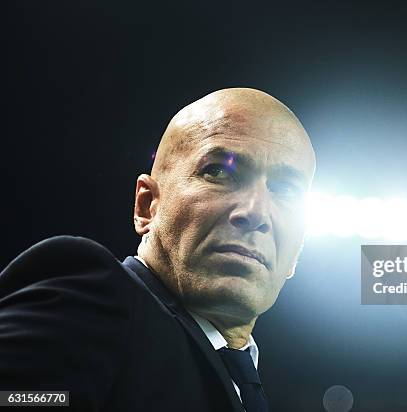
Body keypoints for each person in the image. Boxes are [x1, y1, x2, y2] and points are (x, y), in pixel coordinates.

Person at [0, 88, 316, 411]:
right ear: (147, 205)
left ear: (296, 252)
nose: (256, 212)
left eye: (285, 189)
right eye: (218, 171)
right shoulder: (98, 300)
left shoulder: (242, 379)